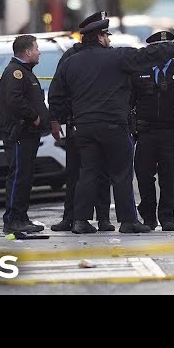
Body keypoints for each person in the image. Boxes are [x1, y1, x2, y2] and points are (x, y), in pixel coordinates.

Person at [49, 11, 174, 234]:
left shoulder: (71, 62)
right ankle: (128, 221)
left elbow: (57, 93)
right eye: (106, 35)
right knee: (121, 173)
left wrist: (57, 119)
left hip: (84, 127)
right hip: (113, 126)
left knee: (88, 173)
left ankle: (80, 221)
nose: (109, 39)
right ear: (99, 37)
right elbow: (149, 55)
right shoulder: (117, 57)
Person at [49, 12, 114, 232]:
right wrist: (56, 119)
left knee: (102, 172)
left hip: (98, 121)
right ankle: (71, 217)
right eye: (104, 33)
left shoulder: (109, 55)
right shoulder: (71, 56)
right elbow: (58, 90)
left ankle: (103, 218)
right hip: (76, 121)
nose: (107, 38)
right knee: (75, 172)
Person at [130, 30, 174, 231]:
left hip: (170, 132)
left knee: (168, 177)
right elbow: (129, 101)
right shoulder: (139, 71)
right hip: (145, 132)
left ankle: (167, 217)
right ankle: (148, 216)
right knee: (144, 176)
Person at [0, 34, 51, 233]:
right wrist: (34, 117)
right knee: (19, 175)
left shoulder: (25, 71)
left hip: (29, 134)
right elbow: (15, 101)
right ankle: (12, 220)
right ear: (27, 52)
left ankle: (21, 217)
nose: (39, 52)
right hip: (20, 133)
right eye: (36, 48)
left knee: (26, 176)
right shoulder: (16, 73)